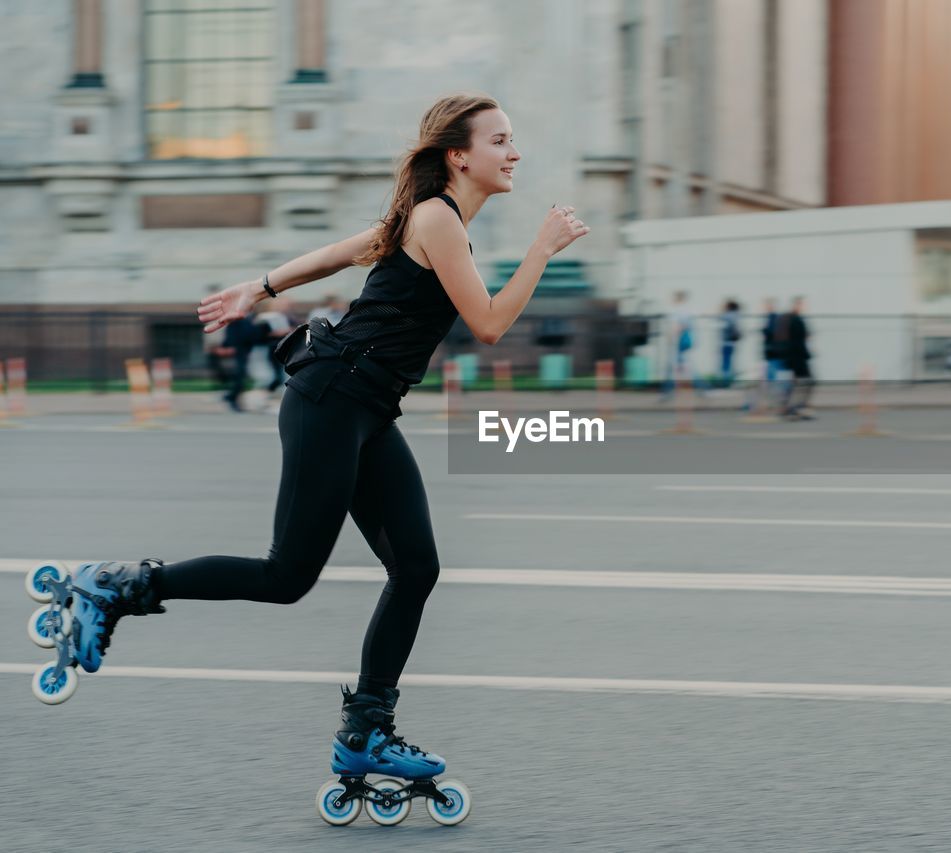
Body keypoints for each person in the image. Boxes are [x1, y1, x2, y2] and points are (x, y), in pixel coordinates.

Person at [46, 94, 589, 793]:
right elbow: (486, 322)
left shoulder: (422, 219)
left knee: (416, 568)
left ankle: (366, 730)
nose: (514, 153)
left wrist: (259, 286)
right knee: (286, 575)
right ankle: (115, 588)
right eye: (501, 140)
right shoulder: (436, 219)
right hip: (334, 398)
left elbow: (344, 252)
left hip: (363, 406)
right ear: (459, 155)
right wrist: (541, 250)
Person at [779, 296, 815, 420]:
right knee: (806, 383)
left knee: (799, 384)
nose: (804, 307)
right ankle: (794, 408)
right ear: (797, 305)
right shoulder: (795, 320)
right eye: (802, 304)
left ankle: (793, 408)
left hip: (796, 357)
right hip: (798, 358)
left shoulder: (792, 319)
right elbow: (798, 340)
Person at [718, 299, 741, 388]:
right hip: (732, 342)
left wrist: (720, 311)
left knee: (726, 363)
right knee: (731, 362)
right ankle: (731, 380)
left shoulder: (727, 316)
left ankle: (726, 382)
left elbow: (721, 321)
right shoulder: (736, 315)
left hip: (726, 342)